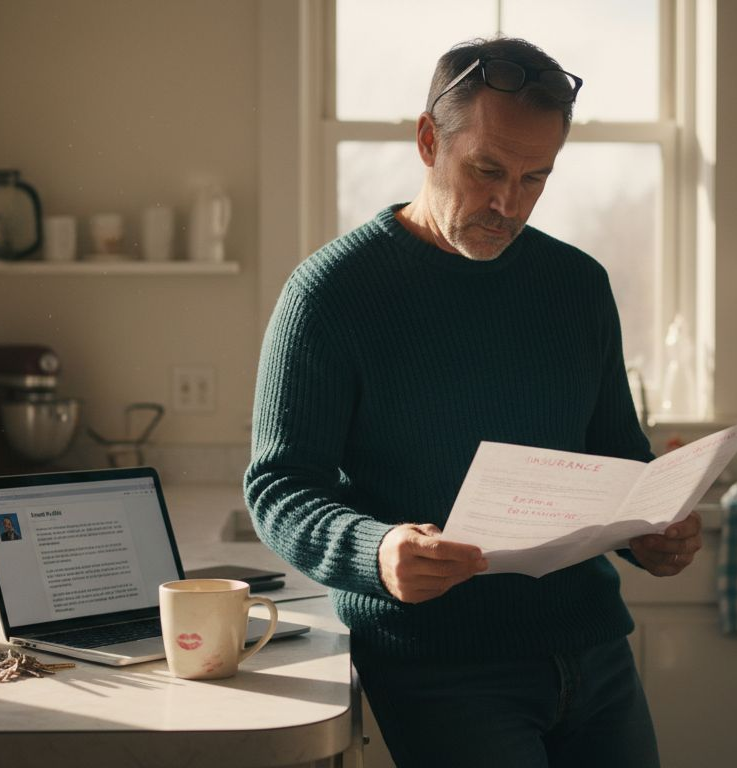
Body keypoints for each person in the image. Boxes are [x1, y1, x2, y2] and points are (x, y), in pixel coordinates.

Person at [245, 36, 701, 768]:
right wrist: (378, 549)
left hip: (594, 654)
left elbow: (616, 454)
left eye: (535, 178)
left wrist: (649, 532)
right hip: (439, 667)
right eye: (486, 170)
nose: (507, 203)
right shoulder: (329, 296)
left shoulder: (577, 286)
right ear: (429, 140)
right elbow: (278, 486)